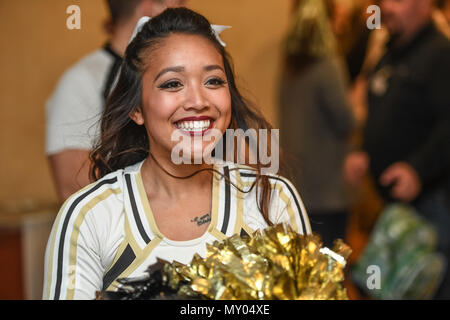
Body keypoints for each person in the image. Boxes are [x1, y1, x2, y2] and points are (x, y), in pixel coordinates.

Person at [43, 7, 311, 300]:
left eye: (213, 81)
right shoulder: (90, 216)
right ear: (136, 108)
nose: (198, 101)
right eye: (172, 84)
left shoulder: (271, 197)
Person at [344, 0, 450, 299]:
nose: (387, 8)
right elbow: (383, 111)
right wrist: (362, 151)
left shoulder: (441, 56)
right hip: (393, 205)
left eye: (399, 0)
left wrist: (418, 168)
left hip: (432, 207)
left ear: (425, 4)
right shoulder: (392, 51)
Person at [46, 0, 185, 203]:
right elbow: (72, 188)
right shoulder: (84, 79)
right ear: (149, 7)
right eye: (180, 3)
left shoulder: (190, 75)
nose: (186, 13)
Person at [279, 0, 355, 248]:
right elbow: (345, 121)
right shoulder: (328, 65)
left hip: (298, 182)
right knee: (330, 267)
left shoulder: (290, 64)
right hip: (327, 188)